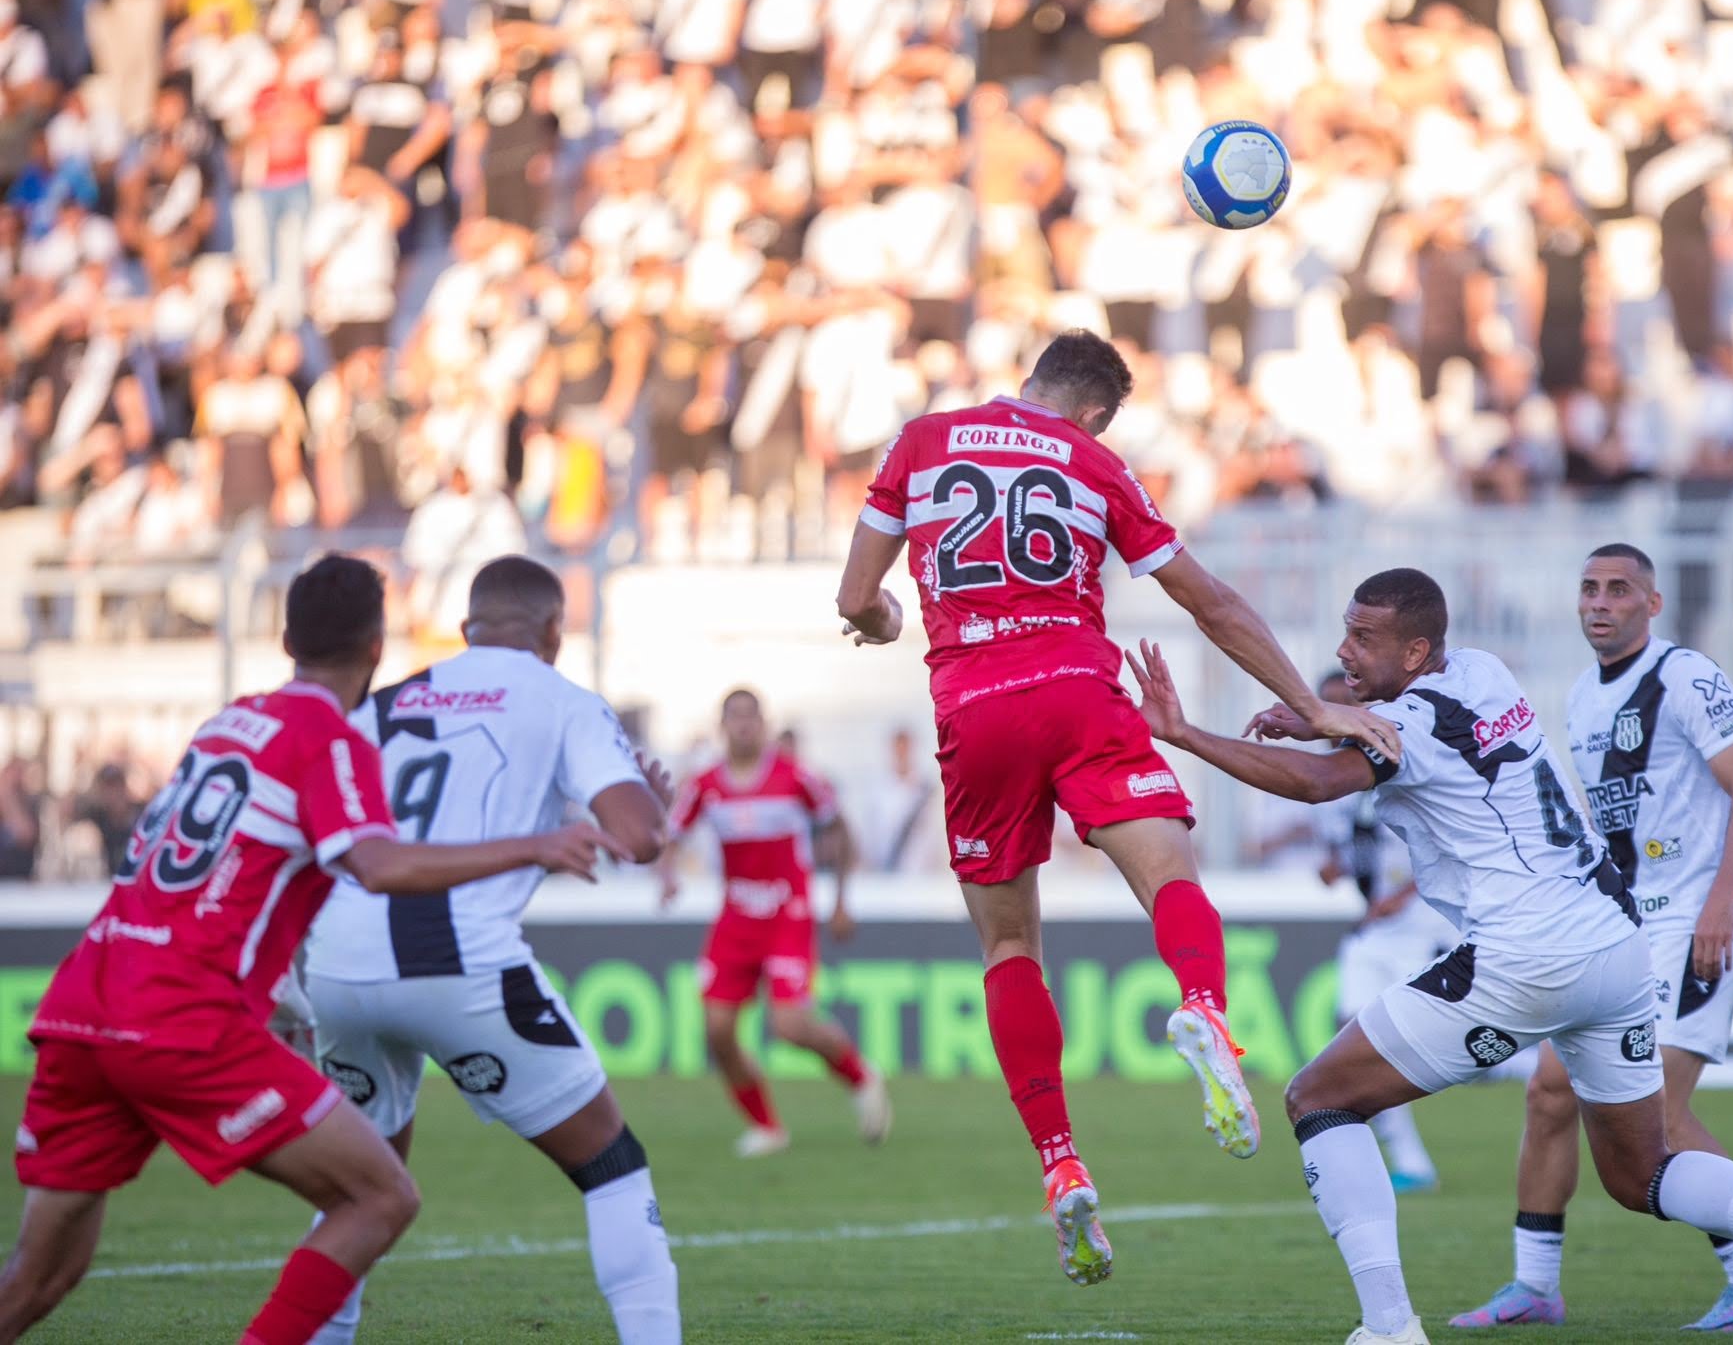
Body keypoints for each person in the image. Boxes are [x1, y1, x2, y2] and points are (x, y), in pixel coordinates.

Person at [1125, 569, 1733, 1345]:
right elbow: (1379, 724)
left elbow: (1326, 783)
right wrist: (1319, 717)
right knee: (1642, 1174)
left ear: (1418, 648)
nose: (1342, 650)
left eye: (1364, 638)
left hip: (1527, 954)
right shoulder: (1483, 671)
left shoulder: (1410, 726)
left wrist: (1187, 734)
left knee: (1319, 1098)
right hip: (1615, 945)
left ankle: (1389, 1326)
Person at [0, 555, 621, 1345]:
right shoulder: (328, 737)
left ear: (286, 637)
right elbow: (380, 864)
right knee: (380, 1198)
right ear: (376, 646)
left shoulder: (227, 722)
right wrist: (534, 844)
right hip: (180, 1018)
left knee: (38, 1276)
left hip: (85, 1007)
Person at [834, 329, 1336, 1286]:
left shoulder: (920, 439)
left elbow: (860, 597)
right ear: (1097, 410)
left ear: (1029, 382)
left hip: (974, 708)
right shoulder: (1097, 461)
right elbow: (1213, 603)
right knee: (1168, 878)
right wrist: (1309, 703)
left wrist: (887, 621)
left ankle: (1060, 1160)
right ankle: (1202, 1006)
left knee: (1010, 948)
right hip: (1075, 684)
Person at [300, 556, 682, 1344]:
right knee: (612, 1165)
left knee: (358, 1192)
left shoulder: (383, 705)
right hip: (458, 962)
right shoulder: (562, 699)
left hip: (337, 961)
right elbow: (639, 839)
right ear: (553, 631)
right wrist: (652, 801)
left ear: (466, 629)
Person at [1451, 544, 1733, 1332]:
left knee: (1656, 1116)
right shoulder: (1583, 696)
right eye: (1588, 589)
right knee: (1548, 1092)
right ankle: (1534, 1284)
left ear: (1652, 603)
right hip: (1619, 924)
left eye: (1618, 590)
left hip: (1691, 919)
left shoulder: (1687, 675)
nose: (1599, 602)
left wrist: (1721, 902)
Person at [659, 688, 889, 1157]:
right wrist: (667, 878)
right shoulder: (705, 785)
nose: (744, 725)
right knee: (717, 1032)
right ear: (722, 725)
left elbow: (839, 828)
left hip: (787, 914)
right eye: (734, 717)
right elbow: (671, 836)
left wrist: (842, 899)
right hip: (736, 918)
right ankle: (767, 1127)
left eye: (751, 717)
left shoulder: (795, 777)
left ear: (763, 724)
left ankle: (861, 1075)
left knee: (789, 1027)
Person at [1310, 669, 1447, 1197]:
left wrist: (1399, 897)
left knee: (1409, 1048)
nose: (1329, 717)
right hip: (1374, 933)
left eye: (1340, 703)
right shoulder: (1330, 783)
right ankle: (1408, 1161)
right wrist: (1335, 867)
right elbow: (1352, 849)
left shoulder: (1394, 759)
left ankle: (1543, 1073)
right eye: (1322, 705)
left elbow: (1433, 841)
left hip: (1421, 927)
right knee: (1354, 1038)